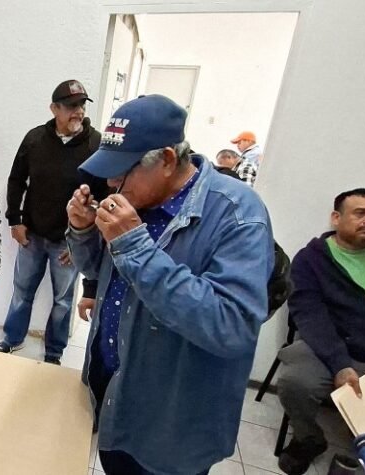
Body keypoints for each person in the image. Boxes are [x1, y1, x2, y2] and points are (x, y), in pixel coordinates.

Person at [66, 95, 274, 474]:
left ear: (165, 160)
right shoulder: (136, 199)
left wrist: (134, 245)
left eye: (122, 172)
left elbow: (230, 326)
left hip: (171, 422)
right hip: (114, 392)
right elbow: (99, 270)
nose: (111, 183)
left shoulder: (238, 214)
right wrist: (82, 230)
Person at [0, 79, 106, 365]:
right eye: (70, 106)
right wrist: (15, 220)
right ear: (54, 109)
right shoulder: (35, 139)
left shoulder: (95, 144)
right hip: (32, 235)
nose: (78, 111)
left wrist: (82, 243)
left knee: (63, 300)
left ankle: (54, 352)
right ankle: (12, 338)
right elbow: (16, 180)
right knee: (22, 292)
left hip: (69, 243)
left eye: (81, 105)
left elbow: (103, 197)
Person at [277, 188, 365, 475]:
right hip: (333, 349)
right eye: (360, 213)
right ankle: (308, 439)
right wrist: (340, 364)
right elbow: (311, 316)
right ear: (336, 218)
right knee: (296, 382)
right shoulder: (311, 260)